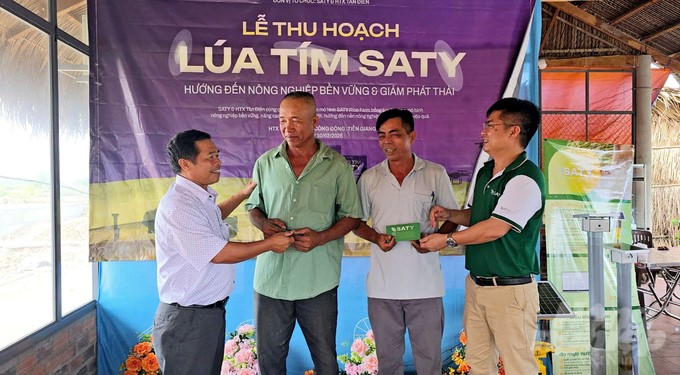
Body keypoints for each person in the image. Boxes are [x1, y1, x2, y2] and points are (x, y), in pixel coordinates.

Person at [152, 129, 294, 375]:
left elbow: (213, 217)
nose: (218, 162)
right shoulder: (179, 206)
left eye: (217, 154)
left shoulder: (197, 197)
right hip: (188, 321)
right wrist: (270, 244)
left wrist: (242, 195)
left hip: (205, 317)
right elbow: (219, 254)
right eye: (210, 157)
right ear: (185, 164)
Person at [420, 98, 544, 375]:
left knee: (518, 367)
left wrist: (447, 240)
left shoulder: (525, 178)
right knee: (478, 363)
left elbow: (494, 228)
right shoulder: (488, 171)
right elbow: (478, 216)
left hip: (510, 291)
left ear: (513, 131)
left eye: (490, 125)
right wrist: (449, 214)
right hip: (477, 285)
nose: (483, 131)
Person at [245, 91, 362, 375]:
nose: (288, 127)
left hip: (317, 280)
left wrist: (321, 237)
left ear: (315, 121)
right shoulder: (265, 163)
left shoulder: (336, 165)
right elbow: (253, 206)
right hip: (272, 280)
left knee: (324, 360)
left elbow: (352, 216)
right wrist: (263, 224)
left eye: (296, 120)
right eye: (283, 120)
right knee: (270, 362)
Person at [352, 108, 458, 375]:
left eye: (395, 134)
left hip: (426, 287)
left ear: (412, 135)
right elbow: (355, 222)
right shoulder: (369, 178)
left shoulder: (435, 173)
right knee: (388, 363)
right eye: (382, 136)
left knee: (429, 361)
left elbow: (453, 218)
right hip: (382, 289)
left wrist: (435, 239)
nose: (387, 141)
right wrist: (376, 237)